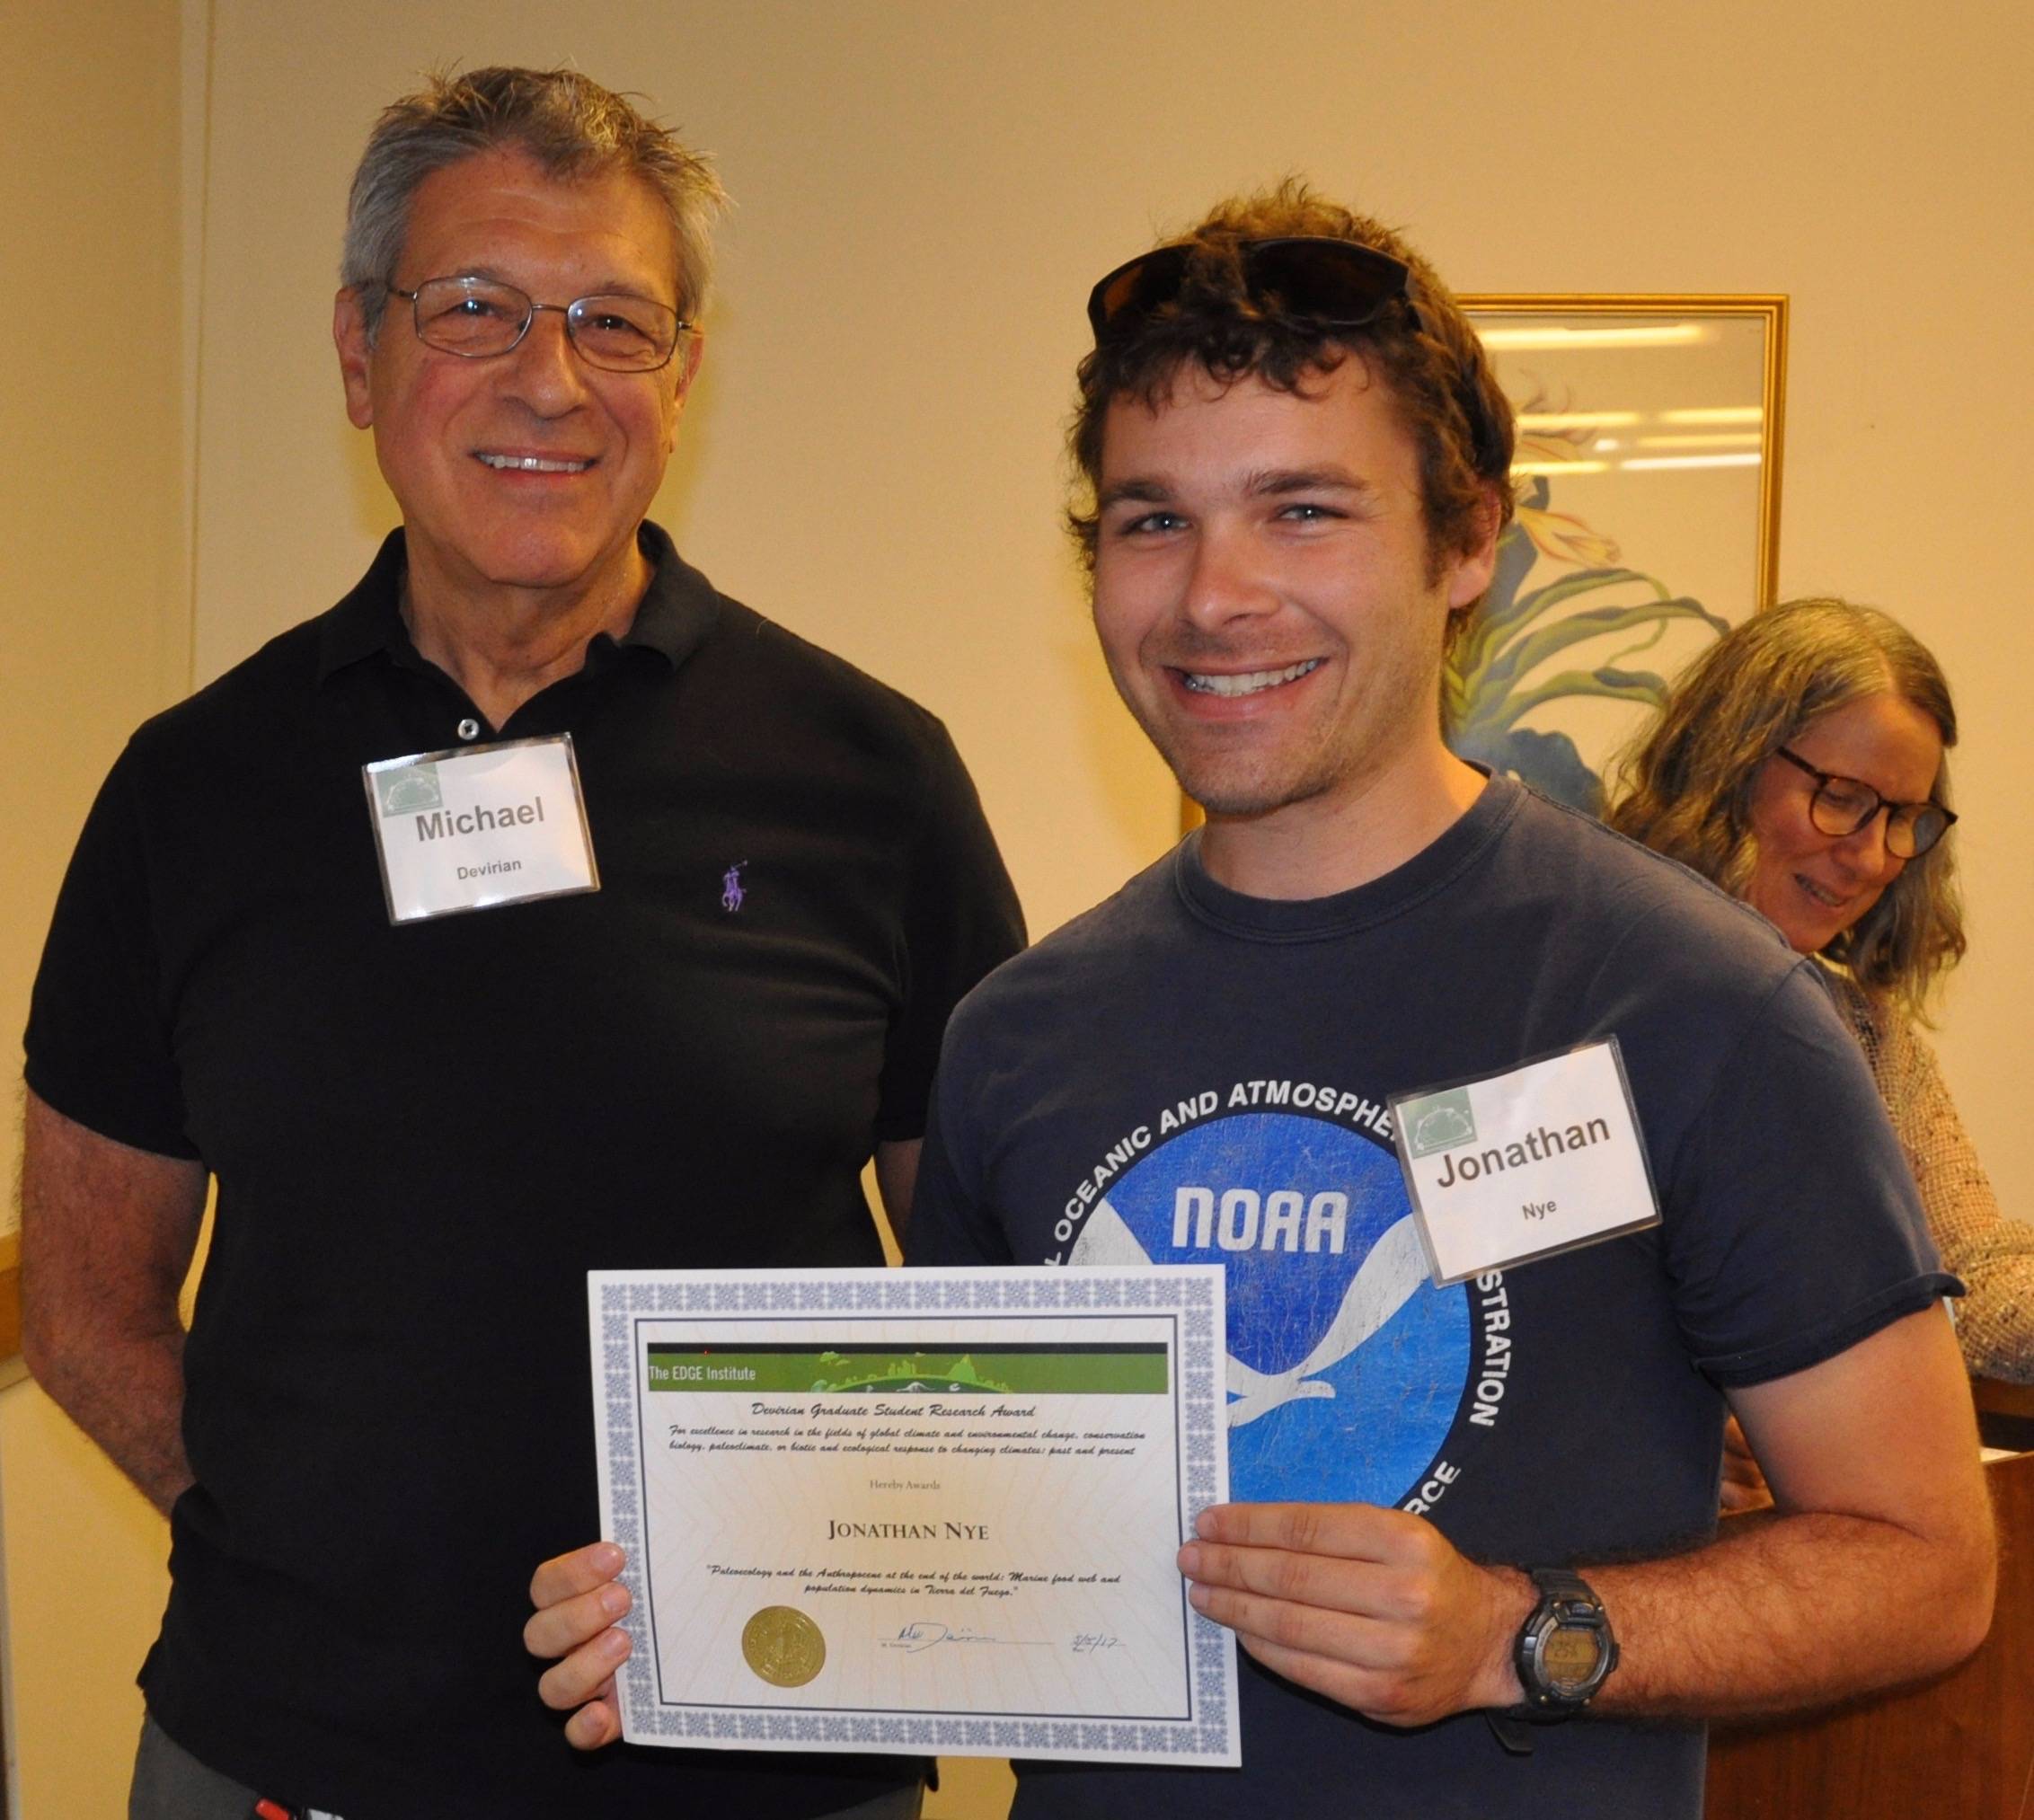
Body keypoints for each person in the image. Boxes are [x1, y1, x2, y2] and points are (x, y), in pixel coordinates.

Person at [531, 181, 1995, 1814]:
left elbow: (1924, 1562)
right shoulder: (1014, 1037)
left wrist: (1512, 1636)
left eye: (1302, 510)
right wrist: (713, 1605)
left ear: (1466, 543)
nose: (1214, 596)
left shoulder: (1699, 1006)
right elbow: (980, 1539)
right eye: (1152, 520)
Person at [20, 66, 1021, 1820]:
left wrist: (776, 1567)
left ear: (680, 378)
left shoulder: (871, 776)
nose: (548, 378)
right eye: (474, 307)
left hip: (766, 1761)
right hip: (288, 1755)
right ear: (359, 353)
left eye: (613, 322)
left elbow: (992, 1310)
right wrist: (295, 1552)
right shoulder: (192, 790)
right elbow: (85, 1298)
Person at [1607, 599, 2031, 1386]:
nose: (1871, 859)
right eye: (1841, 798)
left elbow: (1975, 1281)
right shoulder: (1577, 988)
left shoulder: (1869, 1037)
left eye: (1903, 818)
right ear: (1727, 766)